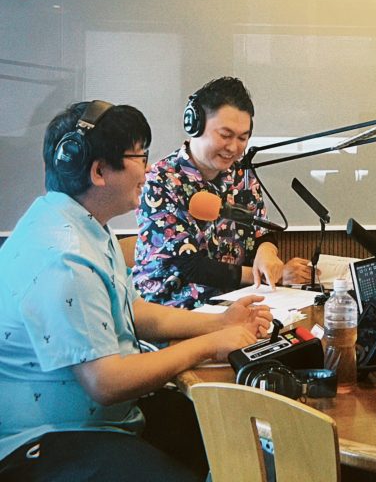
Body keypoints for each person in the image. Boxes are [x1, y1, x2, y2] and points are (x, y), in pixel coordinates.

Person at [0, 100, 273, 482]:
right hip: (49, 441)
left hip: (107, 421)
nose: (147, 170)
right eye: (140, 158)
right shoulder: (65, 256)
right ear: (98, 171)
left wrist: (220, 323)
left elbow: (134, 311)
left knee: (238, 438)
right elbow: (106, 382)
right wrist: (209, 345)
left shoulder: (81, 224)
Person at [133, 76, 311, 308]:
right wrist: (265, 275)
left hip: (237, 300)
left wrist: (267, 253)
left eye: (242, 138)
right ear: (195, 125)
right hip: (175, 307)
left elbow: (261, 230)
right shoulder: (160, 181)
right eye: (225, 135)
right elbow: (191, 266)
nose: (234, 148)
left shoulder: (242, 174)